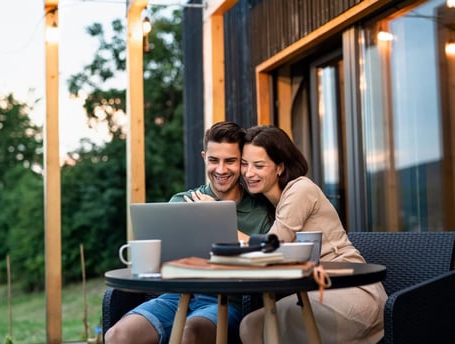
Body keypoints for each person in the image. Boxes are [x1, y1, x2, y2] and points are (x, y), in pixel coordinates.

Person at [104, 121, 272, 344]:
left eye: (230, 161)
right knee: (117, 335)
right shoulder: (181, 202)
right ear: (204, 157)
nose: (221, 170)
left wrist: (216, 215)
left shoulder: (260, 212)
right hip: (175, 297)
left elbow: (268, 261)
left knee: (189, 333)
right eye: (213, 160)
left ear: (241, 162)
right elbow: (160, 264)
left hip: (228, 303)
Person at [238, 125, 388, 344]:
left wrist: (218, 226)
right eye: (244, 164)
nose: (248, 173)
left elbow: (269, 247)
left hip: (349, 289)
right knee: (252, 324)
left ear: (280, 167)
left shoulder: (301, 189)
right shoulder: (272, 205)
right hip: (314, 288)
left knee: (259, 324)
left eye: (258, 165)